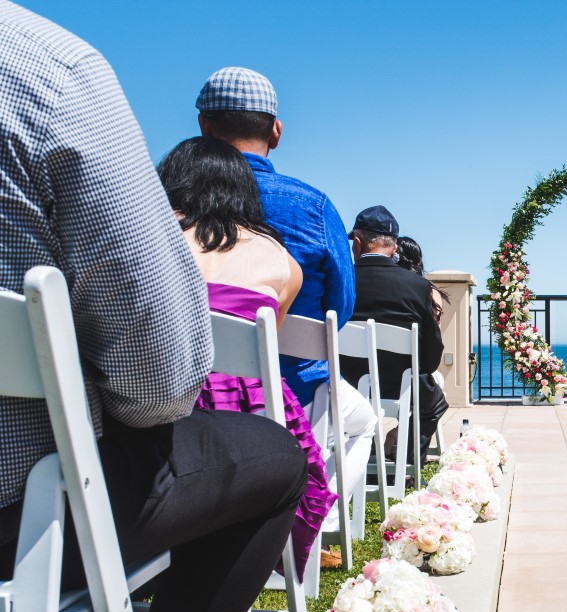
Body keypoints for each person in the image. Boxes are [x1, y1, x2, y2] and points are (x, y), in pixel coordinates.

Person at [0, 5, 307, 612]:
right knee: (274, 454)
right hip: (23, 518)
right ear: (272, 131)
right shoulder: (45, 71)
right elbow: (159, 379)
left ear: (202, 125)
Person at [196, 66, 374, 566]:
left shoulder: (171, 201)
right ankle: (321, 524)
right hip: (293, 394)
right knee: (364, 424)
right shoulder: (312, 206)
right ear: (276, 129)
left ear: (204, 127)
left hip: (183, 392)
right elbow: (339, 307)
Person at [157, 136, 337, 580]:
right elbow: (259, 358)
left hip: (153, 414)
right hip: (241, 420)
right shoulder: (278, 261)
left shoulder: (148, 244)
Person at [340, 207, 447, 463]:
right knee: (433, 402)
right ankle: (407, 462)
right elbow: (431, 356)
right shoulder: (417, 286)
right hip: (402, 384)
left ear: (357, 242)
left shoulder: (341, 281)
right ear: (394, 247)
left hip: (347, 385)